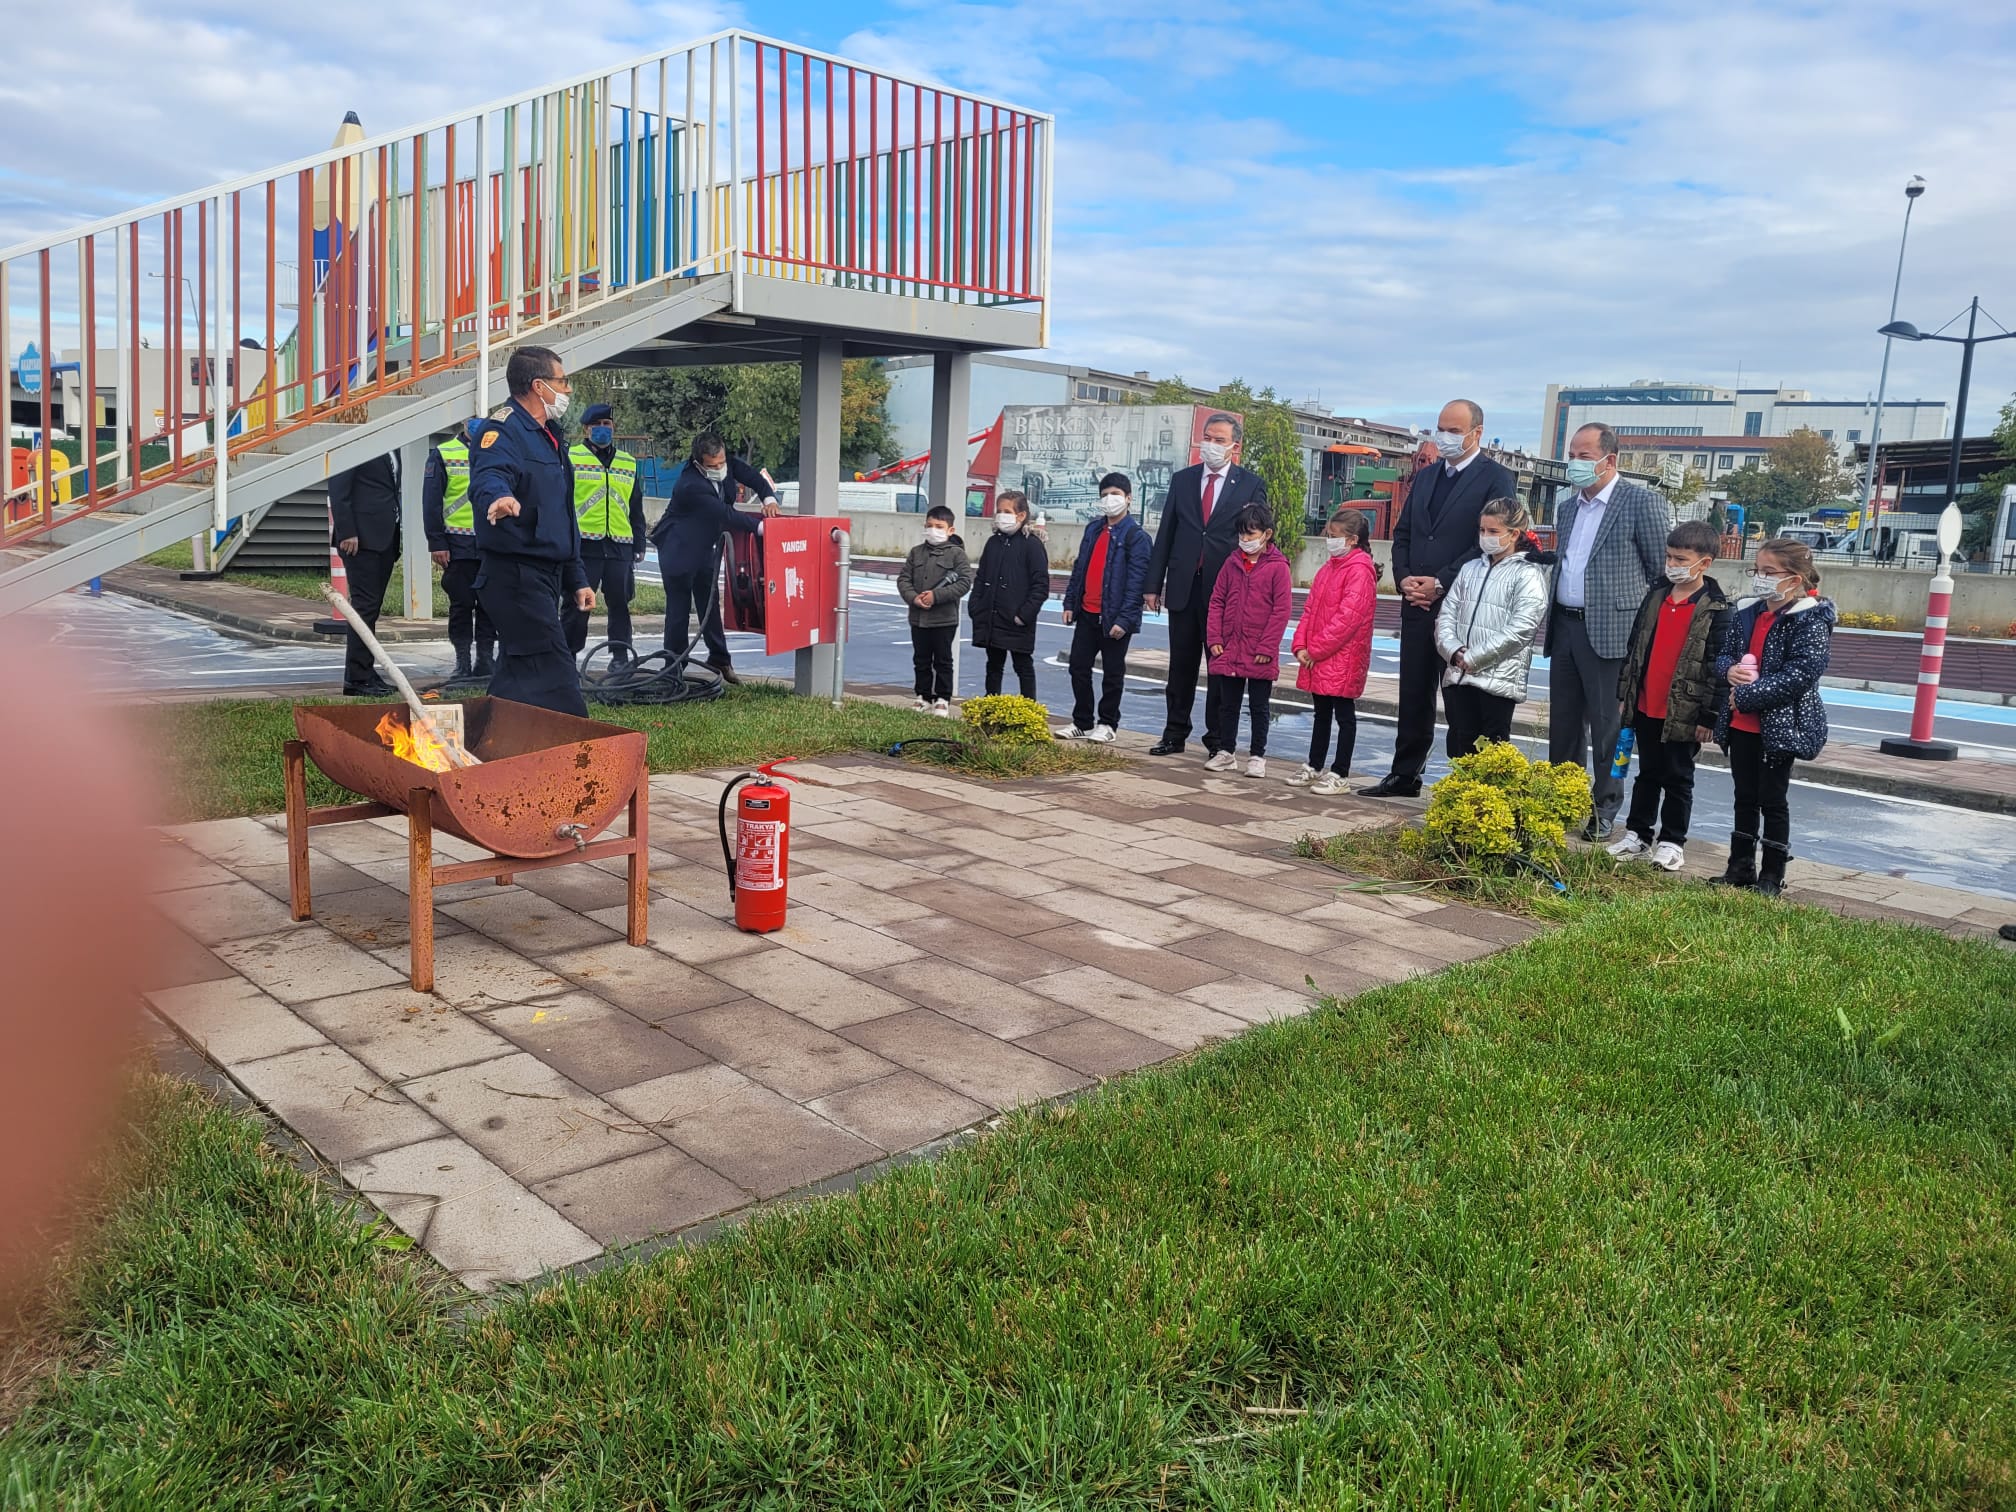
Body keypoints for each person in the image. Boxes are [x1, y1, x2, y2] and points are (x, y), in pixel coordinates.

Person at [1361, 400, 1516, 797]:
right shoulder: (1427, 478)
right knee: (1413, 692)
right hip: (1416, 605)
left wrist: (1441, 582)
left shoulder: (1496, 478)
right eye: (1440, 429)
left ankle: (1464, 783)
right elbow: (1405, 534)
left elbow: (1487, 544)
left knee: (1461, 700)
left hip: (1462, 608)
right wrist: (1405, 579)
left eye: (1453, 430)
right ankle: (1405, 774)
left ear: (1476, 433)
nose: (1444, 437)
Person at [1543, 423, 1671, 839]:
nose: (1575, 463)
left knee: (1608, 729)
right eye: (1572, 455)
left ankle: (1605, 808)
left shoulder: (1640, 503)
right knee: (1563, 727)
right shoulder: (1567, 507)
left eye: (1584, 456)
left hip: (1612, 633)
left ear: (1609, 460)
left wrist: (1642, 635)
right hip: (1564, 625)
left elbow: (1659, 573)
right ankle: (1563, 800)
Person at [468, 345, 595, 718]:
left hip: (545, 574)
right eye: (562, 381)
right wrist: (499, 497)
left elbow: (561, 518)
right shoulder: (502, 430)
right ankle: (585, 759)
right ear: (539, 386)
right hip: (514, 576)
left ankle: (483, 746)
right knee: (555, 671)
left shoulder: (549, 436)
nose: (568, 390)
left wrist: (577, 579)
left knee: (518, 678)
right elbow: (489, 475)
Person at [1607, 520, 1734, 872]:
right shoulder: (1656, 596)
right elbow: (1635, 648)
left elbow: (1718, 667)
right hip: (1647, 702)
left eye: (1681, 559)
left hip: (1686, 710)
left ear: (1704, 563)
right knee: (1646, 772)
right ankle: (1637, 835)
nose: (1673, 564)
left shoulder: (1718, 609)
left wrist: (1709, 716)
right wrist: (1626, 694)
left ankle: (1672, 842)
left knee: (1678, 777)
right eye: (1669, 557)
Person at [1713, 538, 1835, 898]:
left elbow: (1803, 672)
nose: (1760, 579)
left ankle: (1771, 874)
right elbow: (1725, 655)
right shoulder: (1747, 611)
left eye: (1769, 572)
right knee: (1744, 795)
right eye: (1757, 571)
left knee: (1773, 799)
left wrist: (1749, 694)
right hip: (1740, 723)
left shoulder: (1809, 618)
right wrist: (1730, 671)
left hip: (1779, 726)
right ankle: (1740, 866)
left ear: (1794, 579)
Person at [1144, 412, 1266, 757]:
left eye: (1219, 440)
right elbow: (1166, 532)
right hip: (1184, 584)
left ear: (1234, 446)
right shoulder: (1183, 480)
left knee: (1220, 668)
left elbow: (1257, 535)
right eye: (1207, 438)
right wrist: (1153, 585)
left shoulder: (1249, 484)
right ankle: (1174, 733)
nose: (1210, 446)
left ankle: (1217, 739)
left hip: (1225, 591)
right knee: (1180, 665)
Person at [650, 431, 779, 683]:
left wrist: (769, 498)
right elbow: (724, 514)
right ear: (698, 462)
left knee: (709, 604)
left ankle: (719, 659)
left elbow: (752, 477)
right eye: (712, 465)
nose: (719, 468)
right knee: (679, 609)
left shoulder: (727, 464)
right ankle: (673, 667)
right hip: (678, 548)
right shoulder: (690, 485)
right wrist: (762, 528)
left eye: (721, 462)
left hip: (705, 547)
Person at [1433, 497, 1550, 756]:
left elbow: (1522, 627)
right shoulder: (1469, 568)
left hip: (1498, 680)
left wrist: (1475, 657)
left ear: (1514, 534)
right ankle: (1461, 796)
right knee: (1459, 748)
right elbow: (1447, 614)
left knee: (1491, 755)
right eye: (1482, 530)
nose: (1485, 537)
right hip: (1460, 675)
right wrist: (1453, 651)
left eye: (1494, 531)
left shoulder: (1528, 573)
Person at [1056, 472, 1151, 743]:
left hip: (1114, 616)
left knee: (1112, 672)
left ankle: (1108, 723)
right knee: (1078, 667)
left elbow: (1137, 583)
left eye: (1116, 494)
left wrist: (1125, 619)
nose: (1110, 500)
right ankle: (1082, 721)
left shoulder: (1137, 537)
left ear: (1129, 499)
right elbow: (1079, 568)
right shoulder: (1093, 529)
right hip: (1087, 612)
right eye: (1105, 495)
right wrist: (1070, 602)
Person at [1289, 507, 1378, 795]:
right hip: (1322, 655)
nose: (1330, 540)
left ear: (1352, 539)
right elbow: (1311, 609)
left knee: (1344, 714)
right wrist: (1300, 644)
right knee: (1321, 712)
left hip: (1343, 656)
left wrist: (1314, 649)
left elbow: (1347, 619)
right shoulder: (1329, 568)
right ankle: (1314, 766)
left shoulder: (1359, 571)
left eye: (1334, 535)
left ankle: (1340, 772)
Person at [1204, 502, 1293, 777]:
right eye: (1241, 534)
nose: (1244, 540)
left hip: (1259, 650)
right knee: (1227, 704)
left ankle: (1257, 756)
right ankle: (1226, 751)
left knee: (1258, 706)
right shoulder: (1231, 563)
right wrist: (1215, 637)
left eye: (1250, 534)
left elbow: (1281, 610)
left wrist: (1267, 646)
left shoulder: (1278, 568)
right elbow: (1217, 600)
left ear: (1266, 534)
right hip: (1231, 647)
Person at [563, 403, 647, 665]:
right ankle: (567, 658)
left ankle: (620, 657)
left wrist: (639, 542)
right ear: (586, 429)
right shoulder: (570, 458)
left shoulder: (628, 463)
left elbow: (635, 506)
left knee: (620, 605)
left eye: (607, 425)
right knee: (577, 606)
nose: (602, 430)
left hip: (620, 545)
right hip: (584, 546)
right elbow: (561, 503)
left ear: (614, 428)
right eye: (596, 425)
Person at [421, 417, 494, 683]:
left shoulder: (498, 450)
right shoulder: (444, 453)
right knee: (462, 605)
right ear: (463, 420)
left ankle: (485, 660)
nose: (478, 423)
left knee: (490, 606)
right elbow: (431, 502)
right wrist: (437, 542)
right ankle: (462, 661)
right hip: (458, 545)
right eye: (473, 417)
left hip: (491, 545)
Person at [328, 450, 401, 697]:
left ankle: (366, 672)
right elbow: (339, 488)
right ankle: (357, 678)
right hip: (360, 539)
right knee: (364, 607)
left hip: (385, 537)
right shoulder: (361, 441)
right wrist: (347, 529)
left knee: (371, 608)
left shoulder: (394, 448)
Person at [969, 490, 1049, 699]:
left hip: (1017, 620)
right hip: (992, 617)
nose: (1001, 515)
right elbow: (981, 577)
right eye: (999, 511)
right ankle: (990, 708)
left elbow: (1040, 585)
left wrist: (1023, 615)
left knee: (1022, 665)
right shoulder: (993, 542)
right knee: (993, 665)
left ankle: (1028, 711)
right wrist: (976, 606)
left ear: (1021, 515)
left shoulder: (1032, 544)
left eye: (1007, 511)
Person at [898, 504, 970, 716]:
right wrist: (913, 598)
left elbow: (965, 582)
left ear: (950, 530)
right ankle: (923, 696)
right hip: (918, 618)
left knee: (943, 660)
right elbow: (904, 579)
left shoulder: (957, 555)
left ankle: (942, 698)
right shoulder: (916, 552)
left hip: (944, 619)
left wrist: (936, 596)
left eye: (939, 526)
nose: (933, 530)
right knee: (921, 659)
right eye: (929, 525)